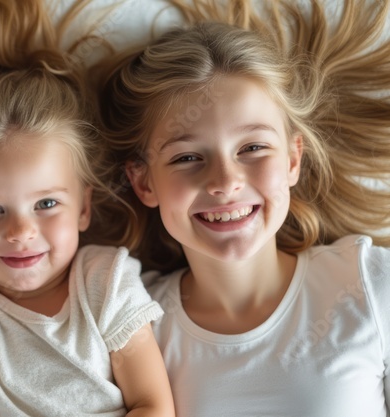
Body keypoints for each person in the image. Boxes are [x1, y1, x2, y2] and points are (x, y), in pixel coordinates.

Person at [97, 0, 390, 414]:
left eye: (252, 148)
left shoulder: (369, 285)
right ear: (144, 182)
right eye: (187, 157)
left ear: (292, 160)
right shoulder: (128, 325)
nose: (224, 182)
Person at [0, 1, 174, 415]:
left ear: (83, 209)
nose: (20, 231)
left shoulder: (104, 284)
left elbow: (153, 404)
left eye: (46, 204)